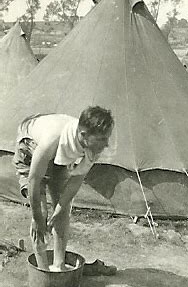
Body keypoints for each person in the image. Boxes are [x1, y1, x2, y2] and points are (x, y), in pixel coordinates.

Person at [13, 106, 114, 272]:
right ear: (83, 135)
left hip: (61, 155)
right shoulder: (51, 140)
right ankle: (43, 270)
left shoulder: (93, 147)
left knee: (63, 211)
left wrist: (59, 210)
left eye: (107, 138)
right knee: (42, 214)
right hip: (31, 146)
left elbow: (75, 181)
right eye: (102, 139)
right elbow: (33, 180)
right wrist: (38, 217)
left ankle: (59, 266)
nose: (107, 144)